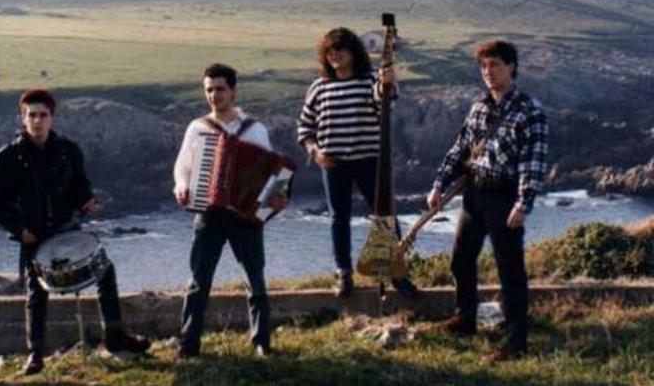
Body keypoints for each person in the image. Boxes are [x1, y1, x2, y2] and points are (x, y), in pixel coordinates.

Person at [0, 88, 150, 375]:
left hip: (67, 229)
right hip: (33, 235)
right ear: (22, 118)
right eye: (31, 115)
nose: (37, 121)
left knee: (105, 272)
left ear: (52, 118)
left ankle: (114, 338)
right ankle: (35, 354)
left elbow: (79, 186)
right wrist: (18, 229)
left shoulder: (68, 150)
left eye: (43, 115)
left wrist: (86, 202)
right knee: (36, 292)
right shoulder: (7, 157)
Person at [427, 40, 548, 361]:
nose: (488, 72)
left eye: (495, 65)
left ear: (511, 67)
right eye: (483, 66)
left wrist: (523, 204)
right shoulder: (479, 106)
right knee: (461, 259)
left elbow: (532, 162)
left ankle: (516, 340)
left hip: (504, 196)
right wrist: (439, 184)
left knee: (510, 269)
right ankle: (465, 318)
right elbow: (459, 149)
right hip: (474, 194)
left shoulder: (530, 111)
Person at [173, 63, 289, 359]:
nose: (214, 95)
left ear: (233, 91)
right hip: (209, 213)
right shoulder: (198, 128)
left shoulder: (255, 130)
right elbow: (183, 167)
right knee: (199, 281)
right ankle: (188, 346)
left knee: (255, 279)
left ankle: (261, 343)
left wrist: (278, 197)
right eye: (209, 90)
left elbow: (273, 173)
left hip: (245, 217)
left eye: (220, 89)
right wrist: (182, 186)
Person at [296, 27, 420, 298]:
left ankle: (396, 272)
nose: (335, 55)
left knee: (384, 216)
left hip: (369, 161)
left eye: (340, 49)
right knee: (338, 218)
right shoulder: (318, 87)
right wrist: (314, 151)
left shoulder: (370, 81)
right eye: (330, 51)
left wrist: (386, 81)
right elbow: (305, 127)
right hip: (333, 164)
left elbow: (384, 99)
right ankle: (343, 272)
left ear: (353, 52)